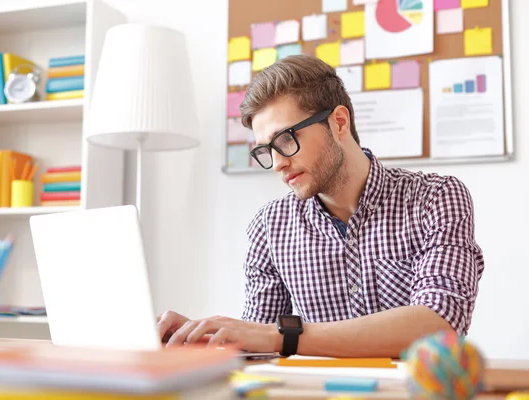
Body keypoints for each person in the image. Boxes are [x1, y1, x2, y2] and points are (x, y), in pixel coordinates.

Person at [157, 54, 484, 358]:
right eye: (266, 150)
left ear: (339, 123)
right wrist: (200, 338)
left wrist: (284, 337)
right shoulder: (270, 227)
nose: (277, 165)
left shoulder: (436, 198)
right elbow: (258, 347)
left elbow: (441, 321)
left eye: (285, 140)